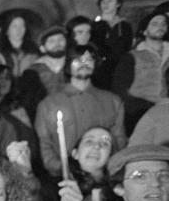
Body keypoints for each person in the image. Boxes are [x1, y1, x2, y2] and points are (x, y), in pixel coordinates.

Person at [35, 44, 126, 177]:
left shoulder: (112, 101)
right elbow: (45, 144)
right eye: (77, 60)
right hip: (63, 178)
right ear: (68, 65)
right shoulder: (49, 104)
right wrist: (61, 168)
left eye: (88, 60)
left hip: (102, 178)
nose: (84, 64)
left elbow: (119, 140)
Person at [111, 9, 169, 135]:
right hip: (139, 115)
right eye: (154, 24)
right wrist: (147, 107)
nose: (160, 26)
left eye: (163, 23)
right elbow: (120, 89)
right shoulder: (132, 57)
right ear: (144, 31)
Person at [90, 0, 134, 90]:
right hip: (99, 71)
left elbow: (125, 48)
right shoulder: (93, 26)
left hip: (118, 71)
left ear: (118, 3)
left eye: (110, 0)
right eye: (103, 1)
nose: (105, 4)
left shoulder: (124, 26)